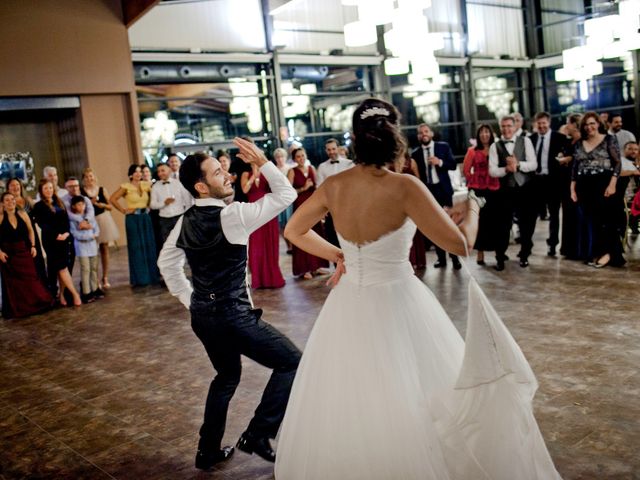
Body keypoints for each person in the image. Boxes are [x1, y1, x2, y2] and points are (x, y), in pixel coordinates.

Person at [276, 98, 560, 479]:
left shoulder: (334, 185)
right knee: (414, 387)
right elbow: (461, 245)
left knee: (351, 394)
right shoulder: (405, 186)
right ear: (396, 138)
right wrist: (472, 205)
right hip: (398, 300)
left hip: (347, 306)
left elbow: (293, 231)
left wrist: (339, 255)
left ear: (356, 141)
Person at [157, 143, 301, 470]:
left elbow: (166, 264)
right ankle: (258, 433)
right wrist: (263, 162)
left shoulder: (185, 221)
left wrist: (190, 299)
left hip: (204, 318)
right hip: (234, 317)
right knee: (292, 362)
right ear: (200, 186)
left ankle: (207, 452)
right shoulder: (233, 215)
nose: (227, 175)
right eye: (218, 172)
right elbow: (285, 195)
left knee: (226, 376)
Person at [570, 111, 623, 267]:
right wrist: (572, 189)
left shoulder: (609, 140)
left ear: (598, 124)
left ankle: (608, 253)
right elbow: (575, 167)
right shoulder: (579, 143)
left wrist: (612, 184)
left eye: (592, 123)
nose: (589, 127)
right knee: (590, 221)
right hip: (584, 186)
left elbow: (617, 163)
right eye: (586, 124)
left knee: (606, 220)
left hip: (604, 184)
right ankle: (595, 252)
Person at [489, 115, 538, 270]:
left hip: (525, 189)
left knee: (526, 224)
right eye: (503, 126)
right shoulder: (494, 146)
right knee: (502, 225)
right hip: (505, 191)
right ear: (500, 128)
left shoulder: (526, 141)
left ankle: (524, 255)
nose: (506, 129)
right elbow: (492, 171)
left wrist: (518, 165)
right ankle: (500, 258)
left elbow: (533, 164)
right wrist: (506, 169)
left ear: (515, 126)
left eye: (509, 126)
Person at [411, 123, 461, 269]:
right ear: (418, 136)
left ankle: (455, 259)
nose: (423, 134)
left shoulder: (443, 147)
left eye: (426, 131)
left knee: (450, 226)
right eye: (420, 133)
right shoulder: (416, 154)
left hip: (444, 191)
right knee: (435, 228)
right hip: (429, 194)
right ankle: (441, 259)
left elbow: (452, 165)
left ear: (431, 133)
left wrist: (440, 162)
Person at [0, 192, 54, 318]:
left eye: (12, 199)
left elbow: (31, 230)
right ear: (2, 203)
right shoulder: (1, 217)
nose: (10, 202)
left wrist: (33, 246)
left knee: (31, 278)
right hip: (9, 255)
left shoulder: (23, 214)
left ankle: (36, 304)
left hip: (23, 251)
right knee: (15, 284)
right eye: (7, 200)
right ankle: (20, 308)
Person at [32, 180, 82, 306]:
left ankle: (62, 296)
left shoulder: (59, 202)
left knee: (62, 268)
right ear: (41, 191)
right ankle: (75, 295)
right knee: (62, 268)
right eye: (45, 188)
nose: (49, 190)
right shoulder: (39, 206)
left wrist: (66, 233)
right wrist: (56, 235)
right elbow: (42, 223)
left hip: (64, 238)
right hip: (51, 240)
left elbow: (66, 220)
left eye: (50, 188)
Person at [109, 164, 160, 286]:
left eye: (140, 172)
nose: (139, 174)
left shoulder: (146, 185)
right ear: (131, 174)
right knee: (136, 248)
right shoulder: (126, 187)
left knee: (149, 246)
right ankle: (140, 278)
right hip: (133, 219)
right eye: (136, 172)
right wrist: (123, 210)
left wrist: (148, 207)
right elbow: (113, 199)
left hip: (145, 218)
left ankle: (152, 276)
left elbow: (153, 197)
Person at [528, 112, 569, 257]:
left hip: (553, 182)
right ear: (535, 124)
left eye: (544, 123)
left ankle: (552, 245)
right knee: (531, 215)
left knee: (554, 215)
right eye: (539, 123)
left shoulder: (560, 138)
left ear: (549, 123)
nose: (541, 126)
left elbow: (568, 158)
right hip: (535, 182)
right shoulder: (530, 139)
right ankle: (527, 244)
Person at [241, 163, 286, 289]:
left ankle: (272, 278)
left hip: (269, 210)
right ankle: (258, 279)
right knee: (256, 245)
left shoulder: (268, 172)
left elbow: (278, 189)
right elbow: (244, 190)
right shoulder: (245, 174)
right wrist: (252, 177)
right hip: (253, 212)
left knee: (270, 244)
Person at [287, 147, 329, 279]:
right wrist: (303, 188)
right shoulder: (291, 171)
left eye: (302, 156)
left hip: (313, 205)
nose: (301, 158)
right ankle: (305, 268)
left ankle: (317, 266)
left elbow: (317, 188)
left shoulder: (312, 169)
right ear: (294, 159)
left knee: (316, 233)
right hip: (300, 206)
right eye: (298, 157)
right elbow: (288, 192)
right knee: (302, 234)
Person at [462, 124, 500, 266]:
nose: (484, 135)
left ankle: (498, 251)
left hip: (494, 188)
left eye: (487, 132)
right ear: (478, 135)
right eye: (482, 132)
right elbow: (465, 170)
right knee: (480, 222)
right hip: (478, 190)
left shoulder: (496, 148)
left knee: (494, 221)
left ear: (491, 134)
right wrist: (475, 180)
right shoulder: (472, 151)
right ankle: (480, 252)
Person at [81, 168, 120, 289]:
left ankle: (105, 276)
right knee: (92, 251)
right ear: (83, 179)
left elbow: (110, 206)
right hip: (91, 221)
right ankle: (95, 278)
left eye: (91, 176)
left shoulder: (102, 190)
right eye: (87, 177)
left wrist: (100, 204)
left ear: (95, 177)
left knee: (104, 249)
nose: (89, 179)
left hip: (103, 220)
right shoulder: (82, 192)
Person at [316, 138, 353, 248]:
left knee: (349, 236)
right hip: (330, 207)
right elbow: (319, 188)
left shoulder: (349, 164)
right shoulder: (322, 167)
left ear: (338, 148)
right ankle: (337, 262)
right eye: (329, 150)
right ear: (325, 151)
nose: (331, 152)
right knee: (332, 237)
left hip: (348, 206)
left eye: (333, 149)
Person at [392, 152, 426, 270]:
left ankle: (419, 260)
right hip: (396, 201)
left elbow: (418, 181)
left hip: (412, 200)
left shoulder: (411, 162)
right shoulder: (389, 162)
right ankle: (408, 261)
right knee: (402, 231)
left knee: (415, 231)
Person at [557, 113, 583, 259]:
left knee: (576, 214)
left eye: (568, 123)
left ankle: (578, 249)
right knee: (567, 214)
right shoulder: (569, 141)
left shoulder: (581, 141)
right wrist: (562, 155)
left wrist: (569, 159)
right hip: (565, 181)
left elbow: (580, 158)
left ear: (574, 124)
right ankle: (568, 248)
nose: (567, 125)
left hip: (577, 182)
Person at [150, 163, 192, 246]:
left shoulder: (178, 184)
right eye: (158, 171)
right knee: (168, 244)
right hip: (164, 220)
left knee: (183, 241)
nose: (160, 173)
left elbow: (188, 201)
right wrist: (164, 203)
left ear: (169, 170)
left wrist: (186, 217)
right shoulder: (155, 186)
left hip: (179, 217)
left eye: (163, 170)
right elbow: (152, 205)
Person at [68, 196, 101, 303]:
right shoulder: (73, 220)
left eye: (83, 204)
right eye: (78, 205)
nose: (81, 206)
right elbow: (74, 233)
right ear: (73, 206)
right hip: (82, 247)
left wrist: (93, 234)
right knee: (85, 269)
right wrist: (87, 235)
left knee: (94, 268)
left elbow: (96, 228)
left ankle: (95, 289)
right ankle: (87, 292)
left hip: (92, 245)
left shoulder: (89, 217)